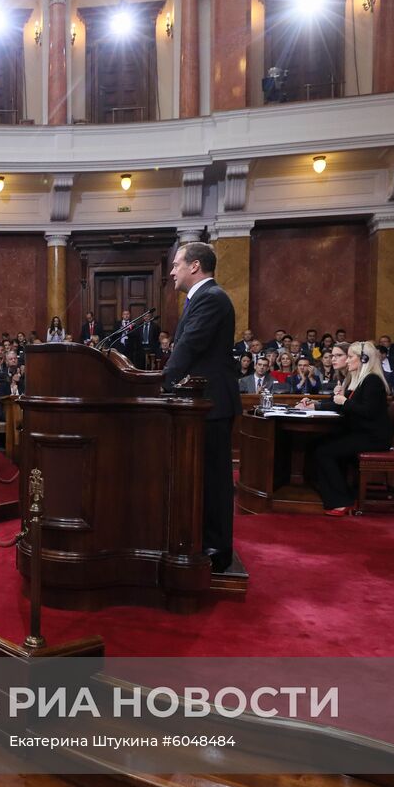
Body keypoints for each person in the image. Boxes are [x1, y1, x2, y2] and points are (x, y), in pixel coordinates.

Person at [162, 241, 241, 574]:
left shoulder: (211, 298)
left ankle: (218, 551)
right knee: (204, 478)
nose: (172, 271)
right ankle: (204, 540)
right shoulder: (201, 299)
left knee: (214, 480)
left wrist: (160, 382)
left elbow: (190, 346)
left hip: (212, 403)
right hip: (203, 402)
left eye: (177, 264)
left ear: (195, 266)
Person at [297, 341, 394, 515]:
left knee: (324, 451)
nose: (347, 361)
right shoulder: (360, 379)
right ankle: (337, 493)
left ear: (364, 359)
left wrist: (345, 402)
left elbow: (368, 412)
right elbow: (343, 405)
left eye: (350, 357)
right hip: (362, 434)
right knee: (317, 445)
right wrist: (319, 404)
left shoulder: (372, 380)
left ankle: (341, 501)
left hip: (373, 438)